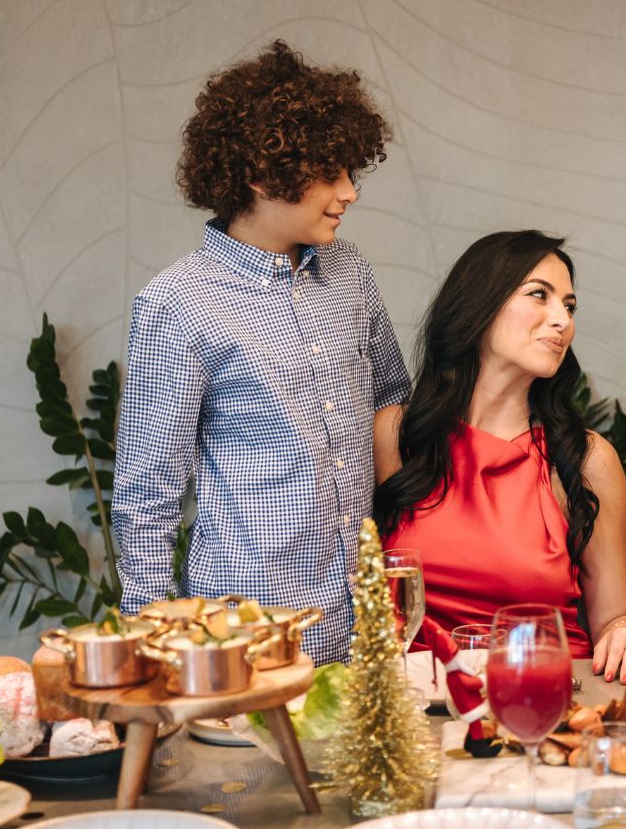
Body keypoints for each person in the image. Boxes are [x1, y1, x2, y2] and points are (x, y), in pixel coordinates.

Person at [113, 40, 410, 665]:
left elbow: (393, 404)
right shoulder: (177, 304)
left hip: (366, 627)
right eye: (331, 174)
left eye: (351, 172)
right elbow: (146, 497)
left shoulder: (350, 272)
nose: (350, 192)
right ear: (261, 173)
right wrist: (154, 651)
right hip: (250, 636)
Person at [374, 230, 626, 685]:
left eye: (570, 306)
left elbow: (617, 616)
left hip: (541, 696)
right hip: (418, 702)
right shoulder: (397, 435)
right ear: (479, 305)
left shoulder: (584, 460)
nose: (562, 320)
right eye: (539, 295)